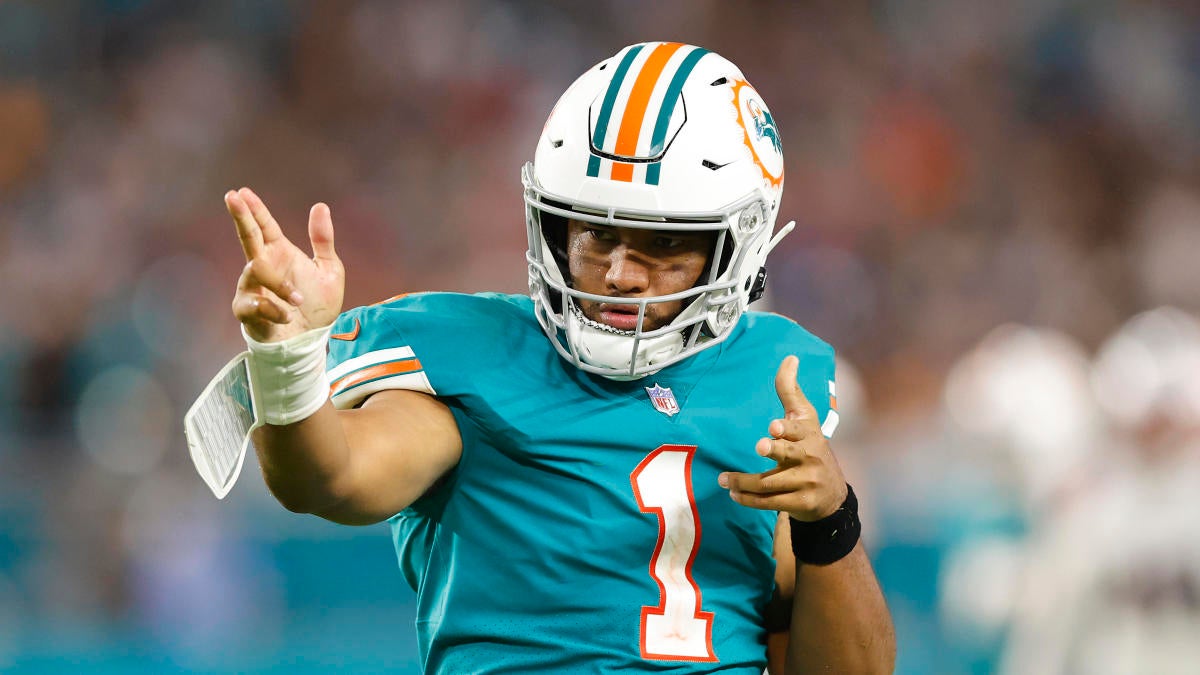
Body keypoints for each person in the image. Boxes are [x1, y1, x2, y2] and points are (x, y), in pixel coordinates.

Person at [224, 42, 894, 674]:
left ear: (740, 246)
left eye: (663, 245)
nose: (620, 274)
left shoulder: (773, 381)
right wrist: (286, 358)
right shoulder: (482, 358)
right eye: (597, 233)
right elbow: (328, 478)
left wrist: (830, 521)